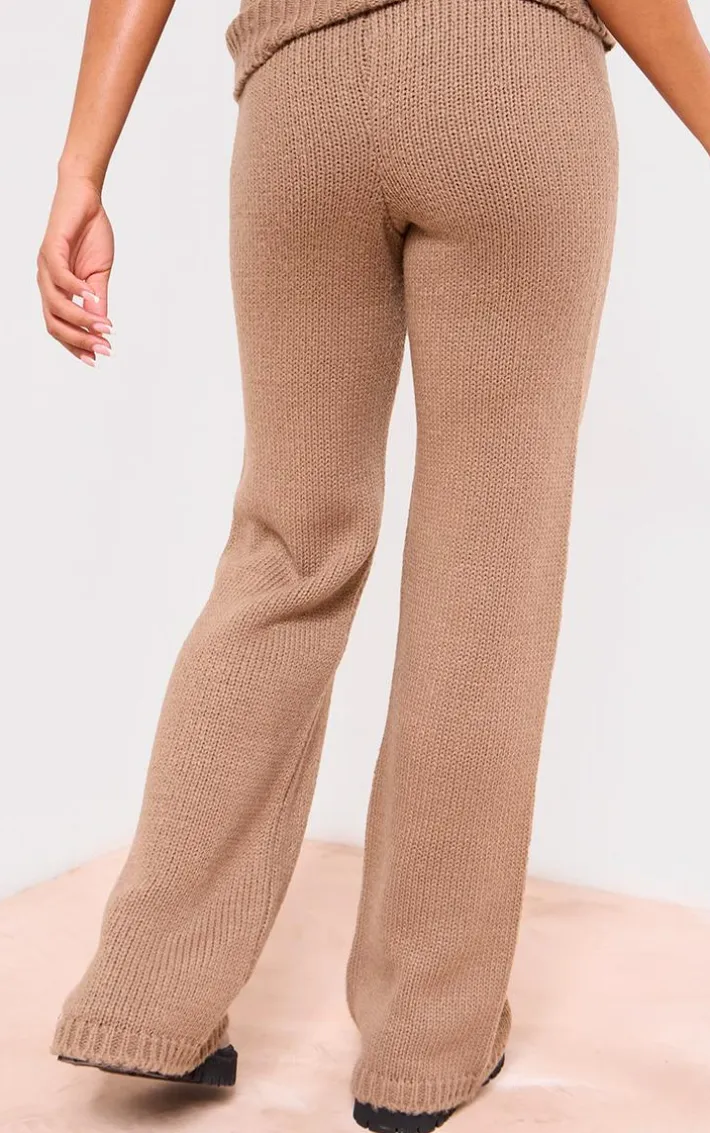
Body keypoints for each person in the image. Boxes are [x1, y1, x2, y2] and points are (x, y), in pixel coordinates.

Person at [36, 0, 710, 1129]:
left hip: (302, 98)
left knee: (286, 547)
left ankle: (144, 995)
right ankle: (423, 1047)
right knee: (487, 566)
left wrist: (80, 169)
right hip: (509, 82)